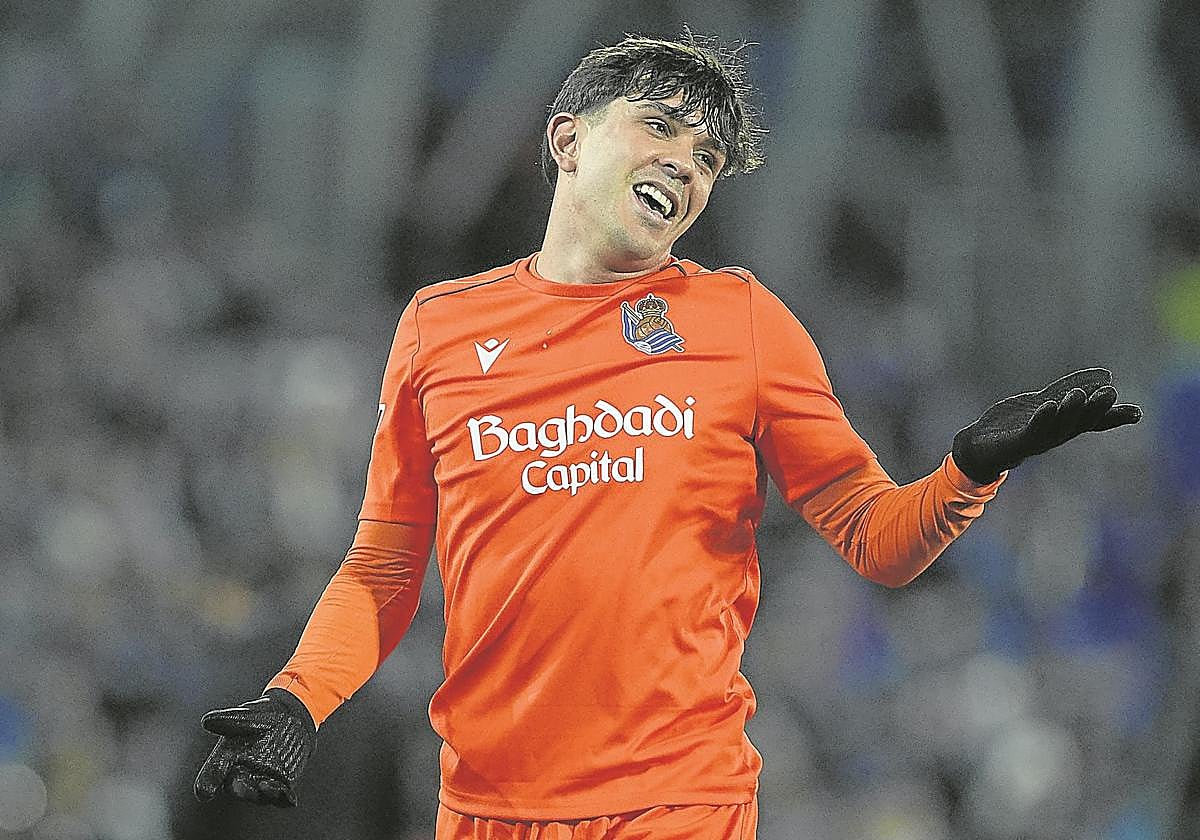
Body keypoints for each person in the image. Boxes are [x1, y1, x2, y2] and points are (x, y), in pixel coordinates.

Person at [193, 31, 1142, 840]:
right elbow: (386, 565)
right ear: (568, 139)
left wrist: (969, 470)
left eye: (708, 159)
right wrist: (296, 699)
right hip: (485, 808)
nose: (687, 164)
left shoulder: (742, 322)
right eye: (660, 127)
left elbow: (877, 539)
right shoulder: (437, 329)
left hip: (678, 802)